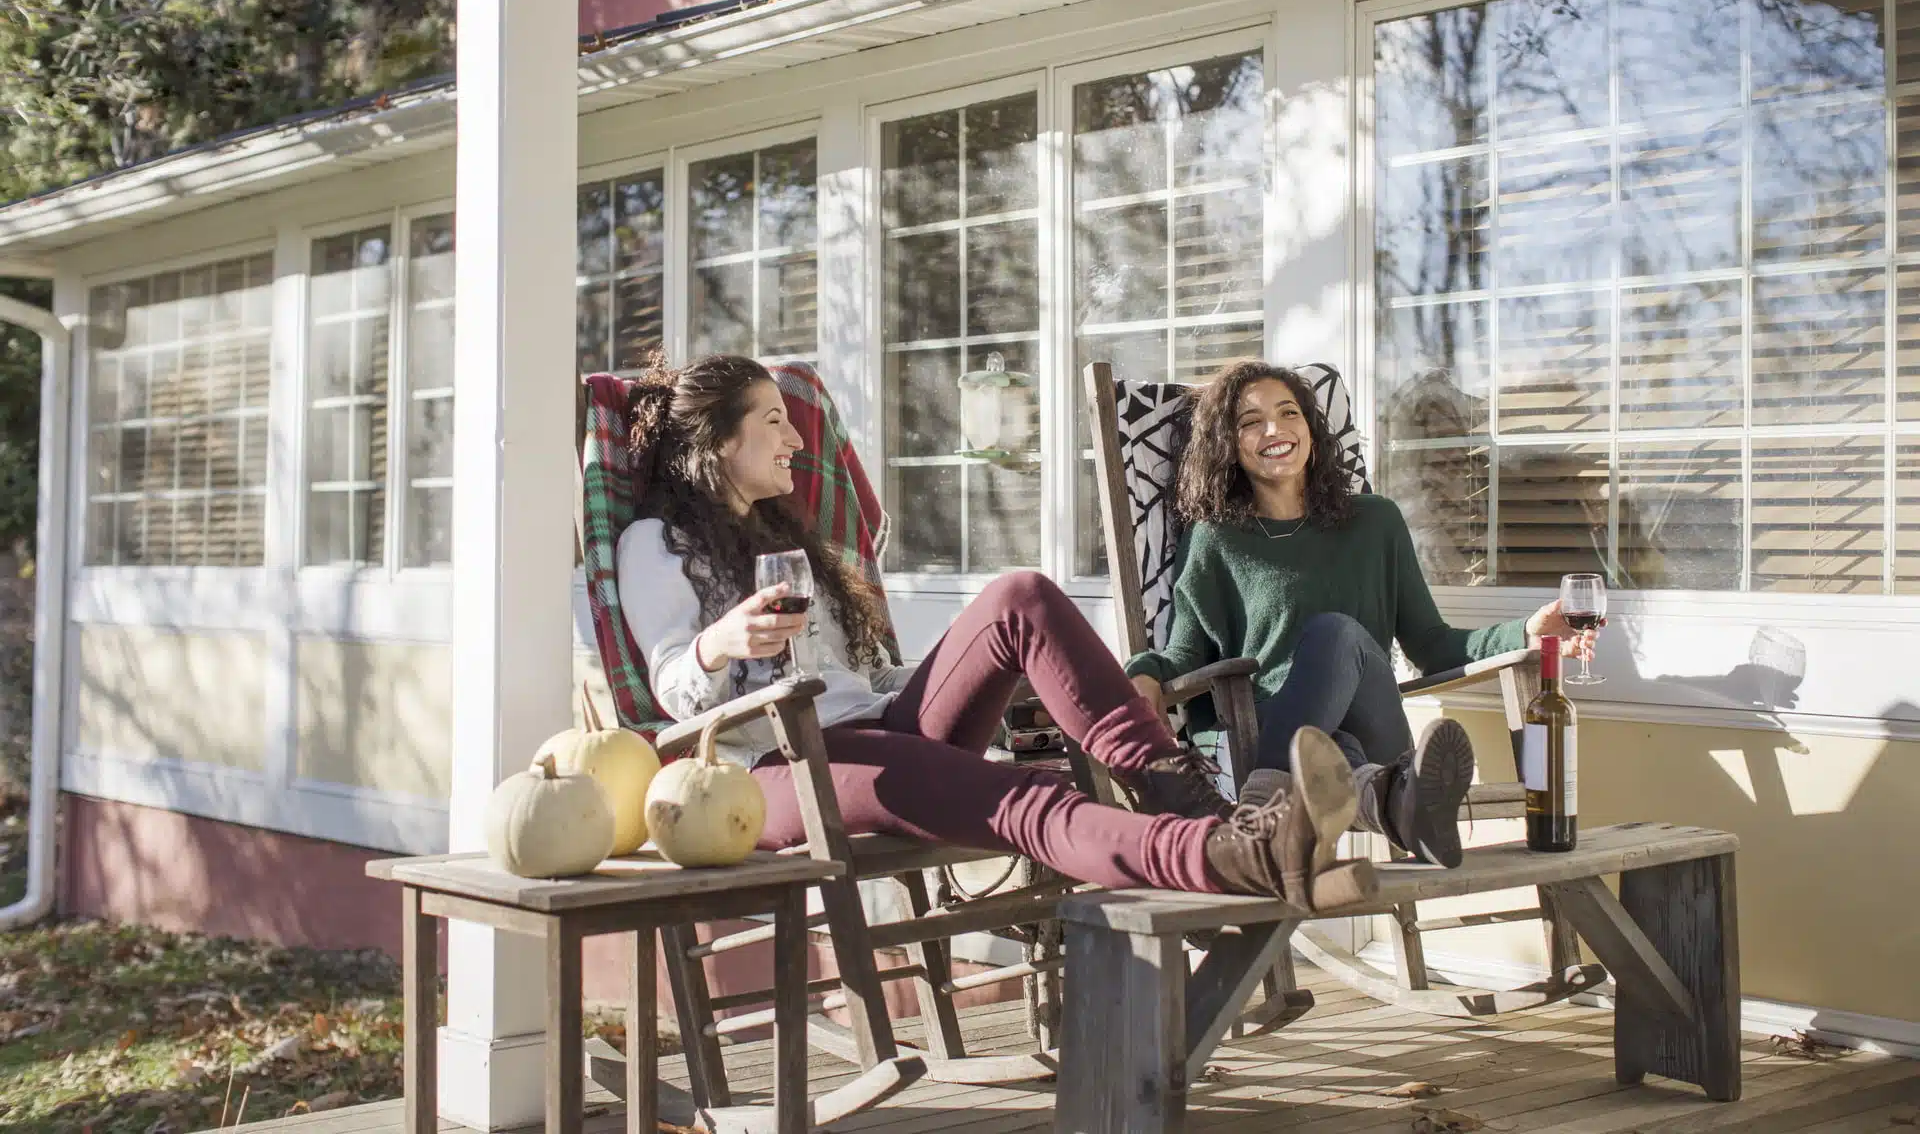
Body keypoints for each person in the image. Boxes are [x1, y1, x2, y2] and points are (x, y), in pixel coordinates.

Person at [615, 353, 1375, 906]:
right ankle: (1227, 855)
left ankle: (1187, 799)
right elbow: (674, 696)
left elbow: (862, 683)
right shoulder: (656, 545)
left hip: (876, 727)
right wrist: (722, 643)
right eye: (774, 421)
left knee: (1020, 594)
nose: (796, 441)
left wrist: (980, 669)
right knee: (1023, 803)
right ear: (718, 442)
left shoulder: (788, 541)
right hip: (779, 769)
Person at [1125, 360, 1599, 869]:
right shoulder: (1214, 537)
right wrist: (1143, 674)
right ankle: (1398, 806)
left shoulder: (1375, 522)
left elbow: (1433, 646)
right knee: (1339, 747)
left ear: (1309, 428)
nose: (1274, 430)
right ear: (1227, 445)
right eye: (1249, 421)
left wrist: (1526, 630)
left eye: (1289, 413)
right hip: (1266, 728)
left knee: (1337, 637)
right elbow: (1183, 653)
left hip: (1354, 730)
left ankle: (1261, 822)